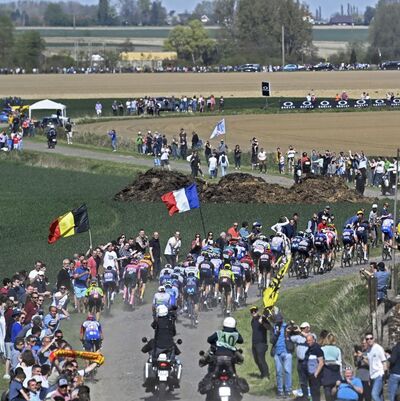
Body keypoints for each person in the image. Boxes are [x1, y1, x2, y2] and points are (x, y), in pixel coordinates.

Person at [271, 312, 293, 398]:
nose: (278, 322)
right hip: (277, 352)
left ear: (282, 320)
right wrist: (276, 334)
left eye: (280, 321)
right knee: (279, 372)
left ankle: (288, 391)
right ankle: (280, 391)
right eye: (277, 321)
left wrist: (290, 330)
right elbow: (271, 341)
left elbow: (295, 332)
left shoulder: (287, 327)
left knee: (288, 371)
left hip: (287, 352)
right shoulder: (273, 328)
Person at [250, 306, 270, 379]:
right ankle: (262, 374)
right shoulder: (252, 321)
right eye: (252, 311)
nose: (253, 312)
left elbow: (269, 327)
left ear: (257, 311)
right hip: (254, 343)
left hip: (261, 343)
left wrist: (263, 323)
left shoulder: (262, 319)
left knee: (261, 359)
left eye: (255, 310)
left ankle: (266, 375)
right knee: (256, 360)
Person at [366, 332, 387, 401]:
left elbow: (384, 361)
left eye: (371, 338)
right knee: (379, 396)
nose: (369, 340)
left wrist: (385, 375)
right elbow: (370, 364)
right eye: (367, 339)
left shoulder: (378, 348)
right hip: (372, 376)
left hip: (379, 375)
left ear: (374, 339)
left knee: (374, 394)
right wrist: (369, 376)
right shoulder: (368, 350)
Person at [321, 333, 342, 401]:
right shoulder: (337, 349)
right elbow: (340, 362)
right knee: (335, 391)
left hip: (326, 372)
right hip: (336, 372)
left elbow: (321, 361)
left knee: (327, 390)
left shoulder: (322, 349)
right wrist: (341, 375)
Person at [304, 333, 324, 401]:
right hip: (310, 374)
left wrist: (316, 373)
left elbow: (321, 362)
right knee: (312, 392)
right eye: (307, 340)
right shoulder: (309, 349)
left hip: (315, 375)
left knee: (316, 393)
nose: (308, 342)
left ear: (313, 340)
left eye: (310, 340)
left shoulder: (317, 349)